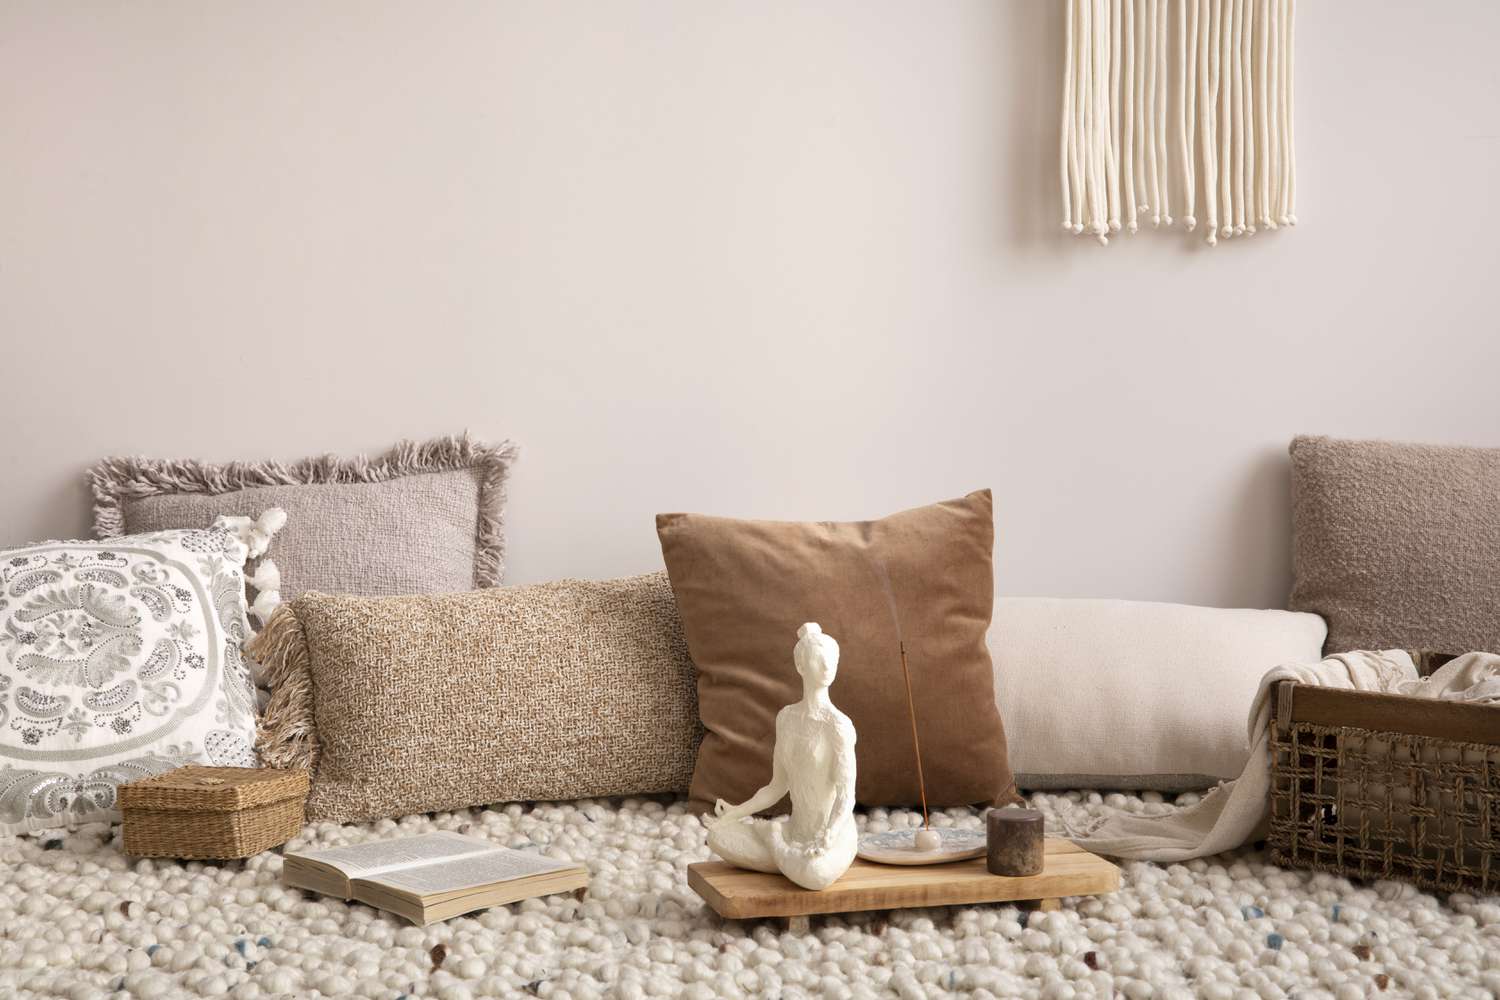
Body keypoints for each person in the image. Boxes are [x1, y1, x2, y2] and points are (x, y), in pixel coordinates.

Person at [706, 622, 858, 890]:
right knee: (719, 835)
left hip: (832, 835)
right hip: (795, 831)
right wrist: (735, 812)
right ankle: (788, 857)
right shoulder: (787, 719)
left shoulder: (838, 726)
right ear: (801, 665)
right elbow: (777, 786)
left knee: (816, 874)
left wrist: (828, 836)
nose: (827, 666)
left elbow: (846, 797)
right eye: (819, 659)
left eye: (832, 659)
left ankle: (774, 841)